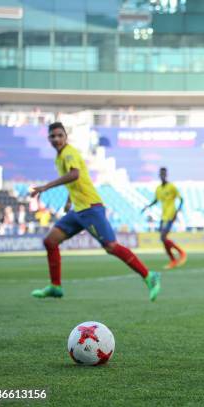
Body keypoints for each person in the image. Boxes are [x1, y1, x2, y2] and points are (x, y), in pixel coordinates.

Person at [29, 122, 160, 301]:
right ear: (49, 138)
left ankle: (148, 275)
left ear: (66, 136)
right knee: (50, 241)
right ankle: (55, 286)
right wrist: (69, 201)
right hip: (78, 210)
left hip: (91, 208)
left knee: (111, 247)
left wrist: (46, 187)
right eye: (53, 136)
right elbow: (75, 181)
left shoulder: (69, 153)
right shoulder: (59, 158)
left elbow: (74, 174)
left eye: (60, 135)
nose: (57, 139)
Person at [141, 167, 187, 269]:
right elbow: (156, 200)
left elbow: (181, 199)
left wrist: (177, 212)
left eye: (164, 174)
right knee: (163, 238)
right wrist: (147, 207)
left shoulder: (172, 187)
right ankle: (174, 260)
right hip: (163, 216)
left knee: (163, 237)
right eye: (161, 174)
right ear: (159, 175)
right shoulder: (158, 189)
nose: (162, 175)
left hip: (171, 215)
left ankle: (180, 253)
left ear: (166, 175)